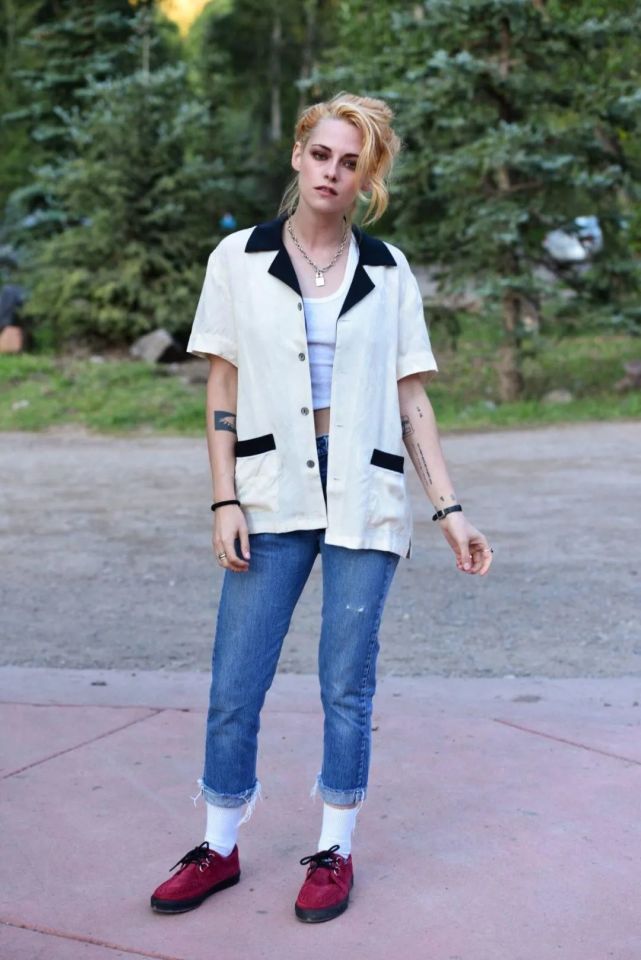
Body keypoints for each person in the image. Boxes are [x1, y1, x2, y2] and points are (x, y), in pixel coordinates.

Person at [150, 92, 493, 924]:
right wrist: (223, 498)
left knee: (346, 684)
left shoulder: (388, 270)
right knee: (236, 680)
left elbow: (410, 398)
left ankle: (333, 850)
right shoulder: (238, 258)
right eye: (321, 155)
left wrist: (448, 508)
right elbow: (222, 383)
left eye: (350, 162)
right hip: (270, 489)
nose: (331, 173)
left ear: (365, 178)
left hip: (363, 491)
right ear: (297, 156)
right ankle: (218, 845)